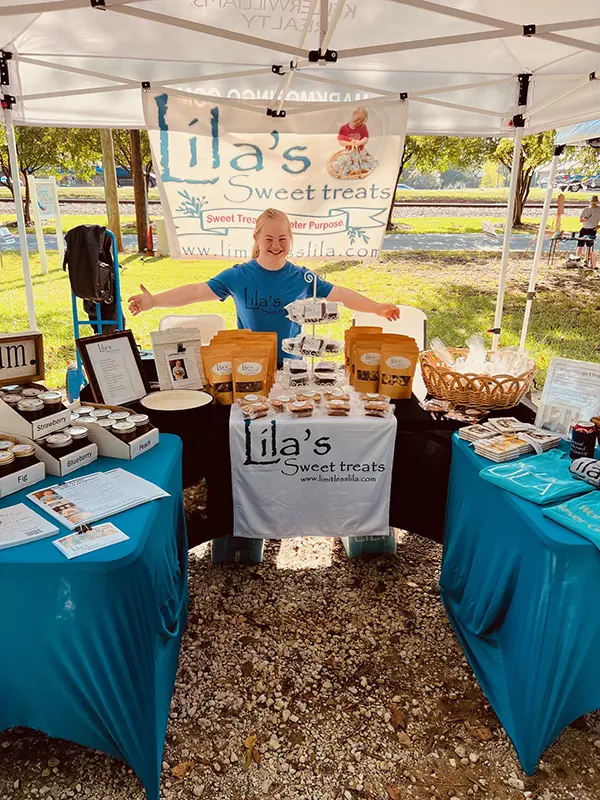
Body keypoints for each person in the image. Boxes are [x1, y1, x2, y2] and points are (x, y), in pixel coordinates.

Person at [128, 208, 399, 366]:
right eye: (269, 238)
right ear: (257, 238)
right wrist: (154, 302)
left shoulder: (301, 277)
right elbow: (197, 291)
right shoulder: (238, 276)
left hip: (292, 368)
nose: (276, 245)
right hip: (250, 365)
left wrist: (377, 308)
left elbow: (341, 294)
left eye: (282, 238)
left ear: (291, 240)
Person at [328, 107, 378, 179]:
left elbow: (365, 138)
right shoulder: (344, 128)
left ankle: (358, 171)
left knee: (362, 163)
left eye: (361, 121)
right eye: (357, 119)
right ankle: (345, 171)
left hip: (359, 152)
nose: (358, 122)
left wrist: (360, 142)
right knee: (343, 162)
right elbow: (341, 141)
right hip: (348, 152)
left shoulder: (363, 127)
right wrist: (351, 143)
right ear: (353, 114)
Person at [576, 194, 600, 268]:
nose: (593, 204)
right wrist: (583, 219)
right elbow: (580, 220)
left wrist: (598, 226)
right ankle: (577, 259)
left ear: (597, 202)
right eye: (592, 202)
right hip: (584, 229)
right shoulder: (586, 209)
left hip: (592, 230)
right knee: (580, 246)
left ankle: (586, 261)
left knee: (588, 247)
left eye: (594, 202)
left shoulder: (599, 210)